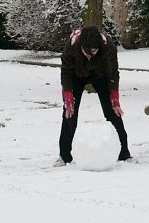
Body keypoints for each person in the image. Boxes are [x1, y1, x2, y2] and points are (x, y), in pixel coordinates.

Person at [54, 25, 131, 165]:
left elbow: (113, 73)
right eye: (86, 51)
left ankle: (124, 153)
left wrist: (115, 99)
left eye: (93, 51)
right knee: (69, 113)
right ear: (80, 46)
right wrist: (68, 99)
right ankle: (64, 155)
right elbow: (66, 73)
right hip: (76, 76)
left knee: (113, 112)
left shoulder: (108, 48)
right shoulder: (71, 46)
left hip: (101, 76)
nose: (89, 55)